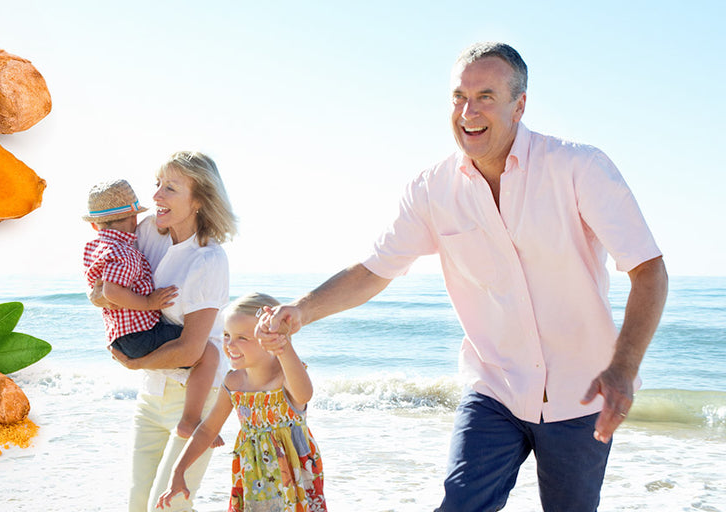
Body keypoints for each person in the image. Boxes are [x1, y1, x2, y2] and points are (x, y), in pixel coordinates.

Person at [256, 42, 668, 511]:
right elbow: (374, 269)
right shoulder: (432, 190)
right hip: (495, 390)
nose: (468, 111)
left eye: (486, 96)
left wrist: (624, 366)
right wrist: (302, 310)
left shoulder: (578, 168)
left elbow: (649, 269)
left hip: (581, 396)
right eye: (458, 97)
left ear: (520, 105)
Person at [98, 151, 237, 512]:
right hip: (151, 396)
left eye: (171, 188)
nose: (156, 196)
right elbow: (103, 281)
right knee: (137, 504)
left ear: (199, 201)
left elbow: (192, 350)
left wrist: (134, 363)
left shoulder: (209, 259)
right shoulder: (148, 234)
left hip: (192, 398)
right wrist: (100, 295)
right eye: (157, 184)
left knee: (169, 507)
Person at [82, 178, 222, 444]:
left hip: (124, 336)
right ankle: (191, 420)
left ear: (93, 224)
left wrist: (97, 296)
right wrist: (149, 303)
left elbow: (98, 289)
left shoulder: (95, 248)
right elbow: (110, 292)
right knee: (209, 353)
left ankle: (189, 417)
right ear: (133, 219)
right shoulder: (124, 250)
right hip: (139, 336)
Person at [157, 292, 326, 512]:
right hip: (251, 478)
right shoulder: (233, 382)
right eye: (227, 335)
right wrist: (178, 471)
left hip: (293, 478)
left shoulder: (286, 376)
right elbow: (207, 429)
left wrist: (282, 344)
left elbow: (304, 395)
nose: (229, 345)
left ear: (271, 338)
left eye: (242, 338)